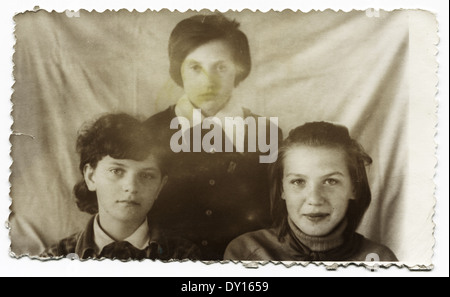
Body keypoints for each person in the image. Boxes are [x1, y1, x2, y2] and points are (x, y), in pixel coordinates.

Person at [145, 14, 282, 260]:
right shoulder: (151, 131)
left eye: (221, 67)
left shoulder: (266, 132)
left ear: (239, 70)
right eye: (195, 67)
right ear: (179, 70)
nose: (208, 80)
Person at [224, 121, 398, 261]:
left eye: (331, 181)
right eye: (298, 181)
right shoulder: (247, 253)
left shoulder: (380, 260)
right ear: (282, 189)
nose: (314, 199)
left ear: (353, 188)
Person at [41, 113, 200, 260]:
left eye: (146, 175)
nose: (131, 187)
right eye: (116, 171)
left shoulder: (183, 256)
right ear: (91, 176)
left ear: (159, 187)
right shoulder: (56, 257)